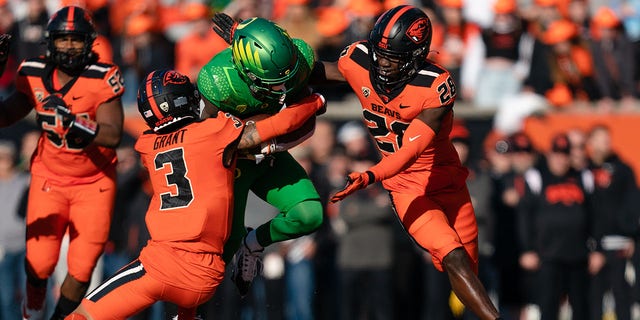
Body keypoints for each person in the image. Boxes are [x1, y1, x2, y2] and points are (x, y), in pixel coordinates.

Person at [64, 68, 325, 320]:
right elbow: (280, 123)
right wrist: (316, 101)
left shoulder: (145, 145)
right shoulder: (214, 133)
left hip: (160, 266)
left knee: (82, 316)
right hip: (206, 277)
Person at [0, 6, 124, 320]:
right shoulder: (33, 72)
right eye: (63, 39)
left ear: (90, 43)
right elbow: (4, 117)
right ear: (49, 41)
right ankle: (33, 310)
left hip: (94, 181)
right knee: (39, 263)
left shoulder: (103, 77)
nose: (69, 47)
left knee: (82, 268)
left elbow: (112, 135)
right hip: (50, 177)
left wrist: (75, 123)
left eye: (76, 40)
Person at [198, 16, 325, 296]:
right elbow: (203, 140)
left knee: (309, 215)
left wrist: (265, 142)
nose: (283, 89)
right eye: (274, 81)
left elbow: (307, 123)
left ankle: (253, 243)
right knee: (220, 250)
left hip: (269, 153)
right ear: (244, 71)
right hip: (232, 165)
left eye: (287, 79)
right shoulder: (219, 81)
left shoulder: (296, 60)